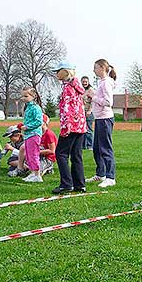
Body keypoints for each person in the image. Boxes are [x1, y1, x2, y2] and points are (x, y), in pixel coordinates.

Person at [52, 61, 87, 194]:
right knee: (76, 155)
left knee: (60, 153)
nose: (56, 73)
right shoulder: (76, 86)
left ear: (65, 72)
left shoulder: (67, 88)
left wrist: (65, 128)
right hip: (81, 126)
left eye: (57, 71)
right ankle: (80, 184)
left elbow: (67, 110)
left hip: (70, 126)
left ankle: (66, 184)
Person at [85, 59, 117, 187]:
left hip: (105, 119)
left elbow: (109, 102)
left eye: (96, 68)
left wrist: (94, 97)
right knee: (97, 148)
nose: (94, 70)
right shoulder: (101, 82)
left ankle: (110, 177)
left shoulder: (106, 83)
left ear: (103, 68)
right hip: (99, 119)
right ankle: (101, 174)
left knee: (105, 148)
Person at [18, 87, 43, 183]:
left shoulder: (36, 108)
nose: (23, 98)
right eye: (22, 96)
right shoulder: (28, 107)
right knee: (28, 155)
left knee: (33, 154)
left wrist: (27, 127)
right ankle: (33, 173)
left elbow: (38, 121)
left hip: (34, 134)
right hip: (28, 135)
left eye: (26, 96)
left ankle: (37, 175)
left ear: (33, 96)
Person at [81, 76, 95, 150]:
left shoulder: (90, 90)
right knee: (82, 129)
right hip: (82, 112)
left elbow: (93, 101)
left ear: (88, 82)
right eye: (83, 82)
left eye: (86, 81)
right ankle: (83, 145)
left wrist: (90, 111)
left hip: (88, 112)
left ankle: (90, 146)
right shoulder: (82, 90)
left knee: (89, 130)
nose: (84, 83)